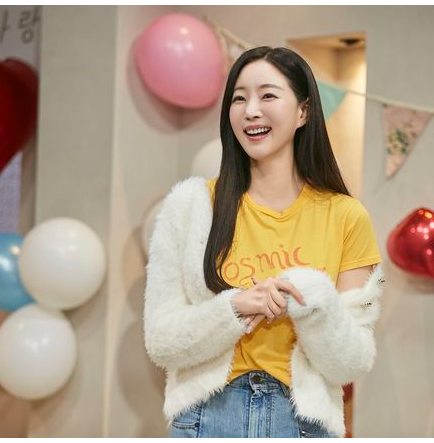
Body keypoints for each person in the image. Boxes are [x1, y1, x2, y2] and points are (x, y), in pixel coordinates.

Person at [144, 46, 384, 438]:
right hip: (208, 418)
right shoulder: (191, 206)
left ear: (303, 112)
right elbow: (161, 341)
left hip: (302, 423)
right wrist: (235, 308)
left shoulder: (347, 216)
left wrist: (314, 299)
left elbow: (352, 363)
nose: (251, 110)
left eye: (268, 95)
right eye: (239, 99)